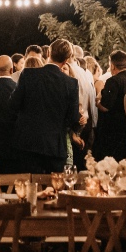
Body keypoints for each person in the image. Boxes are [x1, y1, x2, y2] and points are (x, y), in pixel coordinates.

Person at [9, 39, 80, 173]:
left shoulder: (28, 74)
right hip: (55, 147)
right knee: (53, 190)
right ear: (66, 60)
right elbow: (73, 118)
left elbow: (13, 105)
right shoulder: (71, 83)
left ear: (48, 52)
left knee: (29, 190)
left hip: (27, 143)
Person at [93, 50, 126, 161]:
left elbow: (105, 107)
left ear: (112, 66)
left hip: (112, 130)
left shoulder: (113, 81)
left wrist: (97, 102)